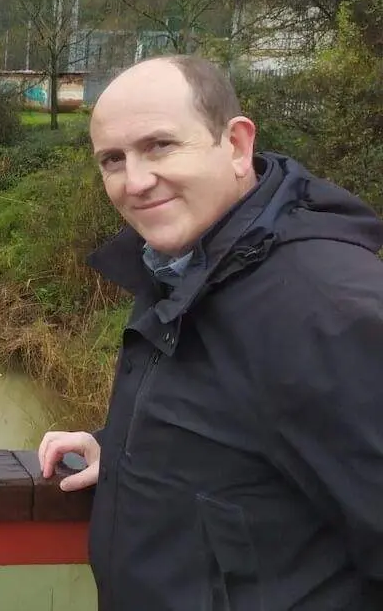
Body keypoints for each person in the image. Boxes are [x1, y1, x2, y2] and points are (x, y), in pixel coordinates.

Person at [38, 54, 383, 609]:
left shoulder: (328, 308)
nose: (137, 181)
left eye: (160, 146)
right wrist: (126, 452)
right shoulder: (180, 268)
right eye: (113, 160)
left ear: (237, 145)